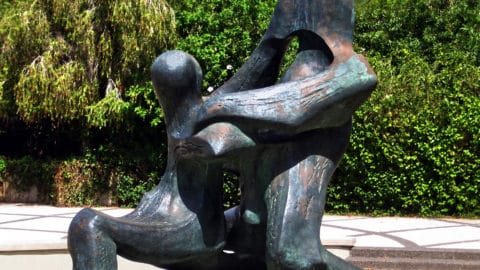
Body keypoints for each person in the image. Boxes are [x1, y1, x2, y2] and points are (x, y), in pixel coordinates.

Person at [68, 0, 377, 269]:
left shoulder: (345, 68)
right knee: (257, 236)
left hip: (304, 152)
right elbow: (265, 64)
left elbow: (297, 109)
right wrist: (213, 126)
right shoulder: (284, 57)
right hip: (230, 203)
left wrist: (220, 108)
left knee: (291, 254)